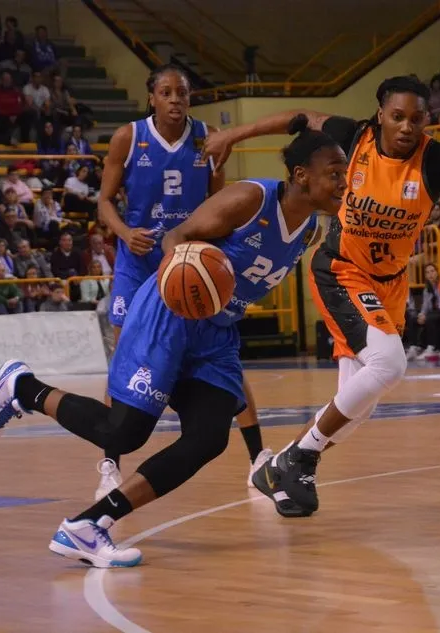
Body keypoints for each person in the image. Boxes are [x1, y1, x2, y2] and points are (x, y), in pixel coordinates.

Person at [0, 117, 348, 567]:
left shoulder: (310, 229)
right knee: (124, 433)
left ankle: (88, 525)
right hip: (170, 314)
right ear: (301, 175)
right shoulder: (252, 199)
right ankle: (21, 388)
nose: (344, 182)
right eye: (335, 173)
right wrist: (193, 279)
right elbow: (175, 238)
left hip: (216, 334)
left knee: (208, 438)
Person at [204, 75, 440, 517]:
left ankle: (279, 469)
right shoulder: (352, 138)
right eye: (397, 117)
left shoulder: (435, 158)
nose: (407, 126)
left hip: (389, 284)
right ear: (380, 116)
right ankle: (298, 458)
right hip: (342, 270)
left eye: (416, 118)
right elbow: (298, 117)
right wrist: (233, 135)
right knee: (389, 364)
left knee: (357, 409)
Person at [94, 63, 269, 498]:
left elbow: (219, 203)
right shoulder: (128, 137)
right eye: (167, 92)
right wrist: (124, 233)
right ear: (151, 97)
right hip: (139, 259)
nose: (175, 100)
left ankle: (258, 459)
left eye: (183, 93)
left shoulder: (209, 138)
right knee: (123, 355)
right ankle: (109, 464)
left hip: (190, 260)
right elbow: (104, 201)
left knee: (222, 351)